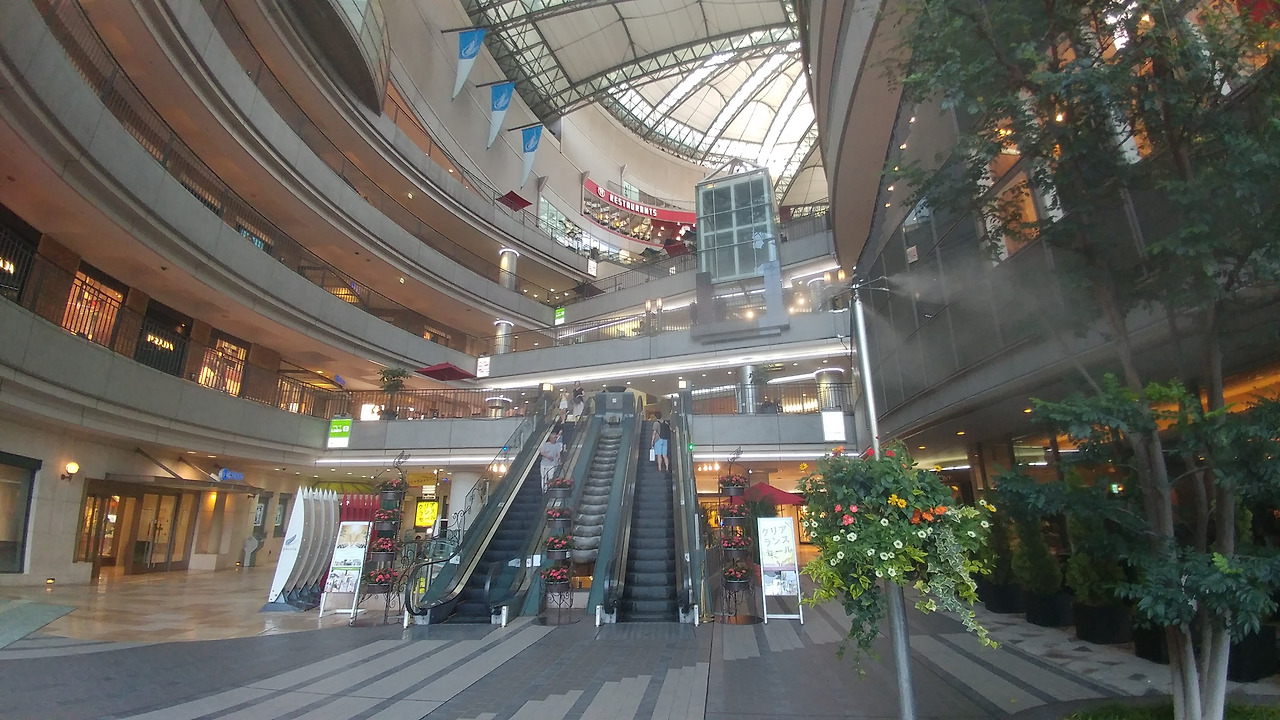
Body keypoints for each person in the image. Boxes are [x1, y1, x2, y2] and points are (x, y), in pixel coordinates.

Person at [651, 411, 671, 475]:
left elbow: (654, 432)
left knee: (659, 455)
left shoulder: (656, 423)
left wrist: (652, 441)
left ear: (655, 417)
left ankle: (659, 468)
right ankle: (667, 468)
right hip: (665, 439)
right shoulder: (665, 422)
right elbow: (670, 428)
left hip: (658, 440)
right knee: (665, 455)